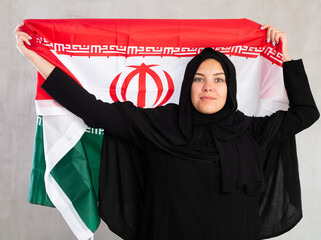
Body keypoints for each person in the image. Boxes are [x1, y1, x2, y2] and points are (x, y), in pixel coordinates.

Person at [15, 22, 319, 240]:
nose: (208, 87)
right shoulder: (160, 125)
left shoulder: (250, 130)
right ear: (188, 86)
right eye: (199, 79)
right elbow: (94, 110)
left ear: (230, 87)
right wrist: (34, 57)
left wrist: (285, 56)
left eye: (218, 80)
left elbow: (306, 113)